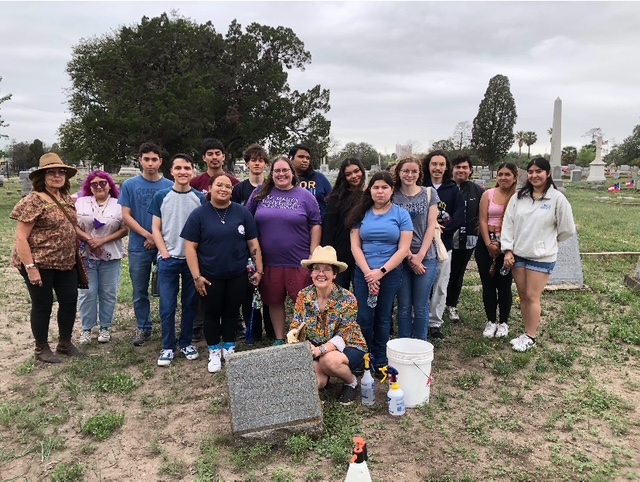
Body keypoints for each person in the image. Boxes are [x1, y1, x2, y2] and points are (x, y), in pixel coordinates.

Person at [182, 173, 263, 373]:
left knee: (231, 312)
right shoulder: (199, 215)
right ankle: (214, 351)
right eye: (219, 185)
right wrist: (197, 276)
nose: (224, 189)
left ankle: (229, 346)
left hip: (237, 274)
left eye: (228, 186)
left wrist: (259, 269)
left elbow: (253, 243)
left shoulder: (242, 213)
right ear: (210, 188)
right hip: (210, 276)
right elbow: (190, 248)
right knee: (211, 314)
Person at [11, 153, 86, 362]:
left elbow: (70, 226)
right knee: (42, 304)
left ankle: (65, 343)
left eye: (61, 172)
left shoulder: (65, 198)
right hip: (40, 263)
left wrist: (89, 238)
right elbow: (21, 237)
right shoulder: (33, 200)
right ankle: (41, 348)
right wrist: (30, 267)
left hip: (65, 262)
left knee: (69, 300)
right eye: (51, 172)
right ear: (42, 177)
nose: (57, 176)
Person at [501, 158, 576, 352]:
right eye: (531, 171)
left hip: (542, 257)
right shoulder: (519, 197)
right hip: (519, 254)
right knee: (523, 295)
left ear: (548, 173)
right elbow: (508, 224)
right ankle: (526, 331)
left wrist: (547, 241)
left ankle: (531, 336)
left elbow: (567, 229)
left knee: (532, 296)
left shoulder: (557, 199)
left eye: (539, 171)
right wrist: (508, 249)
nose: (534, 175)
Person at [246, 156, 322, 345]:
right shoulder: (260, 193)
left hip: (298, 262)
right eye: (277, 171)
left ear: (292, 173)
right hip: (269, 263)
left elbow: (316, 224)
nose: (281, 174)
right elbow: (247, 219)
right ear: (271, 174)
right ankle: (279, 338)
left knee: (303, 303)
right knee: (274, 301)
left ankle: (304, 338)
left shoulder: (305, 196)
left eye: (285, 170)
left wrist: (313, 254)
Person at [347, 171, 413, 376]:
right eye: (376, 187)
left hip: (390, 273)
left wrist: (381, 272)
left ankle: (380, 358)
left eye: (385, 187)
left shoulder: (401, 215)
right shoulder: (360, 213)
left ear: (392, 190)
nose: (380, 191)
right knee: (364, 317)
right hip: (364, 274)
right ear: (370, 190)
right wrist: (369, 273)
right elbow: (355, 246)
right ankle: (363, 357)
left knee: (383, 317)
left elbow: (404, 249)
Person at [288, 246, 368, 405]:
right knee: (318, 382)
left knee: (329, 361)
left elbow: (345, 333)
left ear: (334, 274)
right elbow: (296, 325)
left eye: (326, 269)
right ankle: (326, 375)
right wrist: (302, 342)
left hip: (348, 345)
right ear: (311, 273)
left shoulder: (347, 298)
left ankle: (351, 382)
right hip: (315, 347)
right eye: (316, 269)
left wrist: (321, 350)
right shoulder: (303, 295)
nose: (321, 274)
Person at [148, 154, 206, 367]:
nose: (183, 172)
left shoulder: (200, 198)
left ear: (193, 171)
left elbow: (203, 229)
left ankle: (186, 342)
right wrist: (164, 252)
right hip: (168, 259)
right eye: (179, 168)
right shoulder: (161, 196)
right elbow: (156, 228)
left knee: (189, 304)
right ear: (171, 171)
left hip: (191, 261)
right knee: (167, 305)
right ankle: (168, 346)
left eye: (187, 168)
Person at [119, 142, 173, 346]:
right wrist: (147, 235)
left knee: (166, 289)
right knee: (139, 290)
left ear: (160, 161)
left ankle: (168, 326)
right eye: (146, 159)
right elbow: (126, 215)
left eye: (154, 159)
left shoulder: (169, 186)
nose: (150, 163)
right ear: (140, 161)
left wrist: (158, 237)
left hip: (164, 245)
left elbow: (172, 216)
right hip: (138, 246)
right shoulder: (130, 185)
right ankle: (144, 327)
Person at [190, 138, 239, 341]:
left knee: (231, 287)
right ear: (204, 158)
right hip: (202, 240)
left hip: (228, 243)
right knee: (203, 285)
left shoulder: (234, 182)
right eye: (209, 154)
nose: (214, 157)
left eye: (218, 153)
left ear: (223, 157)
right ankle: (198, 323)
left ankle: (235, 324)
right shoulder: (195, 183)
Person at [76, 171, 128, 344]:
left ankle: (105, 327)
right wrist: (89, 239)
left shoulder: (119, 204)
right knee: (87, 292)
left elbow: (125, 228)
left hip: (111, 255)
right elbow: (72, 224)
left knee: (108, 292)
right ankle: (87, 328)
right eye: (94, 184)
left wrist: (103, 240)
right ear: (89, 187)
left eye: (103, 183)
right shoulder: (80, 202)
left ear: (110, 185)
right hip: (86, 255)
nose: (99, 187)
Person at [393, 155, 440, 340]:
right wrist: (409, 256)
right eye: (406, 171)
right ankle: (404, 345)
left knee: (421, 306)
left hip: (426, 256)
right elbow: (393, 228)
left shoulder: (429, 193)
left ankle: (420, 345)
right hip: (400, 257)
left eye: (414, 171)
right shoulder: (393, 195)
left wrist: (419, 256)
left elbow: (431, 226)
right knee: (404, 306)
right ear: (399, 172)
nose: (410, 175)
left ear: (420, 173)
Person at [232, 144, 274, 343]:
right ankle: (253, 331)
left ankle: (272, 330)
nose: (257, 164)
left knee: (269, 289)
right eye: (253, 160)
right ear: (247, 163)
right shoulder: (239, 189)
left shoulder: (272, 187)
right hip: (246, 247)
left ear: (266, 164)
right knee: (248, 292)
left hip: (268, 244)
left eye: (261, 160)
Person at [421, 150, 465, 340]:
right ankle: (419, 318)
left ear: (446, 167)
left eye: (441, 164)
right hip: (421, 244)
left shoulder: (452, 189)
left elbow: (460, 216)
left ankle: (435, 322)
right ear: (428, 166)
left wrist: (442, 230)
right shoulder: (421, 186)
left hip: (443, 244)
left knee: (440, 285)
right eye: (434, 164)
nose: (437, 168)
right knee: (421, 285)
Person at [476, 163, 518, 339]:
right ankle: (491, 321)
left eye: (507, 174)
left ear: (515, 177)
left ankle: (503, 322)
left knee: (504, 285)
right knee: (488, 284)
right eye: (500, 174)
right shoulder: (488, 194)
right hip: (486, 243)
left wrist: (507, 248)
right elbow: (483, 220)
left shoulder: (518, 197)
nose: (503, 178)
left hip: (508, 246)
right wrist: (488, 244)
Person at [445, 155, 484, 322]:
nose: (461, 170)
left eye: (464, 167)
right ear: (452, 169)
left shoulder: (478, 190)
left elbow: (482, 215)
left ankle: (451, 304)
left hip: (467, 239)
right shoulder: (446, 188)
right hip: (444, 238)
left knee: (457, 274)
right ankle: (436, 303)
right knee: (441, 273)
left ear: (470, 170)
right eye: (458, 167)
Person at [322, 157, 366, 289]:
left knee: (361, 295)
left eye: (356, 171)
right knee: (338, 295)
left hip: (364, 254)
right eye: (348, 174)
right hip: (340, 254)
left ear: (362, 171)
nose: (354, 176)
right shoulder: (336, 197)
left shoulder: (370, 195)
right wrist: (328, 256)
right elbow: (328, 228)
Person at [289, 144, 333, 220]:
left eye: (308, 158)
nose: (305, 160)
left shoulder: (320, 178)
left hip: (319, 223)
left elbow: (333, 201)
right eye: (301, 157)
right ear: (291, 158)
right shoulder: (285, 180)